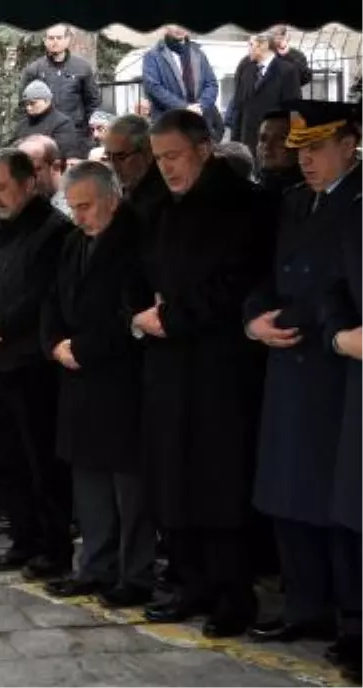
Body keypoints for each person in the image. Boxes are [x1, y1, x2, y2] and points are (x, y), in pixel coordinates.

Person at [132, 110, 271, 638]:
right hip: (168, 364)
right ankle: (189, 585)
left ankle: (232, 595)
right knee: (172, 477)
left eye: (174, 156)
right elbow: (135, 269)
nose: (165, 168)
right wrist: (141, 312)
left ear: (204, 149)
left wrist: (171, 317)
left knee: (219, 481)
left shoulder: (243, 205)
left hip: (221, 368)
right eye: (159, 158)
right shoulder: (159, 205)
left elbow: (238, 281)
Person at [247, 101, 362, 651]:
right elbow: (265, 272)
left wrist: (290, 321)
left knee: (335, 501)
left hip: (332, 366)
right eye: (301, 150)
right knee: (287, 491)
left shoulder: (359, 203)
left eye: (316, 148)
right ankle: (304, 603)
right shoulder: (294, 203)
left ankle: (349, 617)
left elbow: (336, 287)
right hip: (286, 360)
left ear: (349, 143)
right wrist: (253, 319)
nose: (306, 160)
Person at [40, 161, 154, 608]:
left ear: (113, 199)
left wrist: (82, 348)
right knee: (88, 481)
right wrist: (54, 344)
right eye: (73, 208)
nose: (79, 216)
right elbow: (52, 299)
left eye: (86, 207)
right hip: (77, 377)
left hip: (121, 379)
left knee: (130, 488)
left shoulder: (136, 240)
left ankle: (136, 573)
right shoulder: (72, 242)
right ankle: (94, 565)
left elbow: (132, 313)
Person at [0, 149, 71, 579]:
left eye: (1, 187)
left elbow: (40, 295)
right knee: (6, 460)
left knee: (42, 463)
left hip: (32, 366)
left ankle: (52, 547)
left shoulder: (53, 230)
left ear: (27, 184)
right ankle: (23, 540)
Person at [140, 26, 223, 139]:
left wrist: (200, 107)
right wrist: (185, 108)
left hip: (198, 125)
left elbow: (211, 84)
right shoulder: (152, 56)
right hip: (169, 126)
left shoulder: (198, 53)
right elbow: (154, 88)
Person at [21, 24, 100, 140]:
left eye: (59, 38)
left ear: (67, 39)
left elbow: (93, 102)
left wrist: (92, 130)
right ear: (45, 40)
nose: (55, 42)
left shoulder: (82, 67)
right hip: (44, 135)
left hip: (76, 133)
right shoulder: (34, 69)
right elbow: (23, 105)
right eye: (51, 38)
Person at [228, 33, 302, 153]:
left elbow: (293, 110)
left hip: (273, 144)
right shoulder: (246, 69)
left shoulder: (287, 70)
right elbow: (238, 107)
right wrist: (235, 143)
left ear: (263, 45)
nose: (248, 49)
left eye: (251, 44)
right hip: (247, 144)